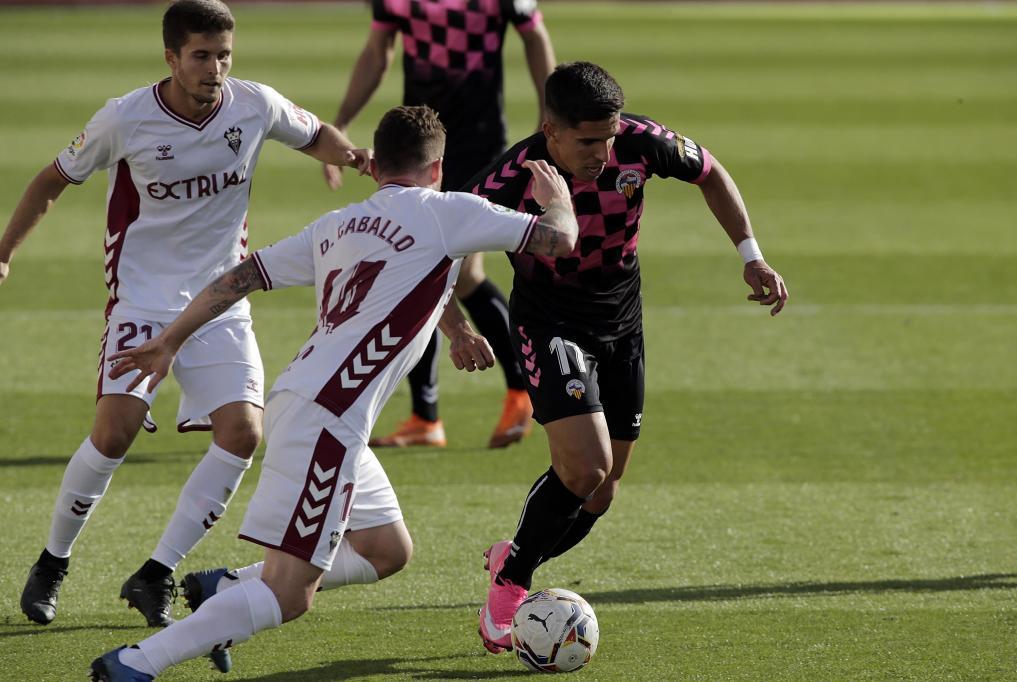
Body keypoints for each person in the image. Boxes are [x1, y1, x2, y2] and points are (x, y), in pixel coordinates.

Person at [88, 104, 578, 681]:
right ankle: (133, 663)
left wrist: (169, 340)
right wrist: (557, 196)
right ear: (438, 168)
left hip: (313, 403)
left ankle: (220, 588)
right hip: (329, 415)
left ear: (379, 165)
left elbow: (237, 278)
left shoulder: (338, 226)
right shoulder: (447, 212)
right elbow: (558, 241)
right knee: (290, 595)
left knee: (387, 550)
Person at [5, 0, 369, 633]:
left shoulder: (254, 104)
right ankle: (52, 562)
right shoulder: (126, 118)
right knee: (115, 432)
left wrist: (355, 157)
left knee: (242, 433)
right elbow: (51, 181)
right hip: (142, 300)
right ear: (171, 57)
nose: (215, 68)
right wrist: (4, 252)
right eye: (201, 56)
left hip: (221, 297)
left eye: (224, 55)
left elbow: (316, 137)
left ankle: (155, 572)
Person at [471, 61, 789, 653]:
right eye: (589, 140)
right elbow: (448, 248)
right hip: (551, 325)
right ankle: (509, 592)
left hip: (622, 322)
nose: (603, 151)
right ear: (552, 130)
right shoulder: (510, 179)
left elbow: (711, 172)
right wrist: (456, 326)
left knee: (603, 491)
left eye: (609, 136)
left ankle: (511, 557)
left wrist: (751, 253)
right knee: (585, 468)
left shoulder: (641, 143)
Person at [324, 0, 557, 448]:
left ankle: (520, 387)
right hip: (421, 137)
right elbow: (378, 50)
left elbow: (535, 37)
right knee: (417, 260)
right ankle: (426, 418)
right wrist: (343, 120)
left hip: (479, 140)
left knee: (464, 274)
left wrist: (548, 121)